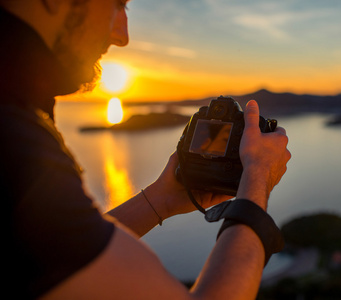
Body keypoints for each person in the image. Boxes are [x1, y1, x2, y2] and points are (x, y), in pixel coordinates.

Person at [1, 0, 291, 299]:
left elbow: (54, 248)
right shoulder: (14, 139)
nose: (122, 35)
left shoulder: (16, 121)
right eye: (116, 5)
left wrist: (161, 199)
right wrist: (257, 179)